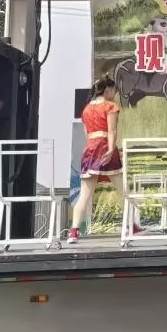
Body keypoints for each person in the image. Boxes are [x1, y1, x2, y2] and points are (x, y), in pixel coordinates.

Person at [68, 75, 140, 244]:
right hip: (105, 149)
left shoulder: (86, 109)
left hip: (90, 151)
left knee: (85, 195)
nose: (115, 93)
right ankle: (132, 226)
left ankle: (73, 232)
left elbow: (87, 135)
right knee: (123, 190)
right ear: (107, 90)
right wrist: (110, 149)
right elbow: (111, 130)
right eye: (114, 90)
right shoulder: (110, 106)